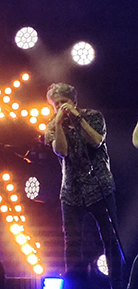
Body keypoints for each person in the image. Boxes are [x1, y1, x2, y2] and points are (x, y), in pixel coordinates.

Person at [44, 83, 124, 288]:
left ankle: (117, 284)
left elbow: (96, 141)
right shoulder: (52, 126)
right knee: (72, 244)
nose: (61, 107)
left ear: (74, 102)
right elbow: (61, 151)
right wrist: (59, 124)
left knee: (110, 238)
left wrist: (77, 118)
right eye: (56, 104)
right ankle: (75, 284)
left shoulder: (94, 116)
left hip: (99, 188)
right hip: (71, 193)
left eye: (64, 102)